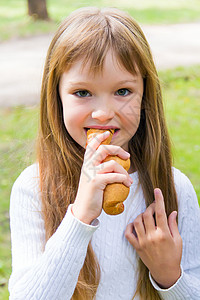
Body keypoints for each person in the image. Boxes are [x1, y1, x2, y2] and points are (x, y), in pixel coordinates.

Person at [8, 7, 200, 300]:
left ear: (145, 96)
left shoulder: (173, 189)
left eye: (122, 91)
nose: (102, 113)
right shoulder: (34, 186)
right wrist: (81, 215)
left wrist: (169, 276)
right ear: (56, 97)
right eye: (82, 93)